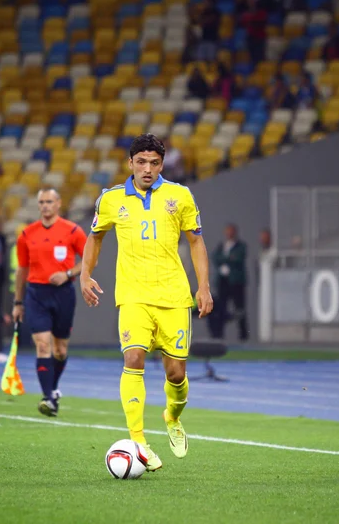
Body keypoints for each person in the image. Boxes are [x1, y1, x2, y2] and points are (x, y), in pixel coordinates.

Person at [80, 134, 213, 472]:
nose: (147, 169)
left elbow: (196, 242)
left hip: (173, 296)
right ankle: (138, 440)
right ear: (130, 164)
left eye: (154, 163)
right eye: (141, 162)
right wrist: (85, 275)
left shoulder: (180, 196)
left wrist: (204, 286)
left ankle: (172, 416)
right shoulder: (110, 199)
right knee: (134, 358)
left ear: (161, 165)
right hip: (133, 296)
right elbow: (94, 238)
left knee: (176, 373)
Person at [12, 187, 87, 417]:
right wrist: (17, 302)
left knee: (60, 350)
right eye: (42, 202)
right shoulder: (27, 234)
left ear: (58, 204)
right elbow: (22, 270)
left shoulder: (73, 231)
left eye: (49, 201)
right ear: (39, 205)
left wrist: (68, 274)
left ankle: (52, 389)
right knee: (43, 344)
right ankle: (48, 398)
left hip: (63, 293)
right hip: (36, 294)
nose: (45, 206)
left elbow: (89, 260)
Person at [210, 223, 248, 341]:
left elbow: (238, 258)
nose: (229, 233)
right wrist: (227, 258)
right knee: (221, 308)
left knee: (240, 308)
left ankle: (243, 336)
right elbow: (215, 257)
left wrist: (225, 259)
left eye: (231, 231)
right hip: (223, 281)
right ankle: (219, 335)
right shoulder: (222, 246)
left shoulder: (241, 246)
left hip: (235, 282)